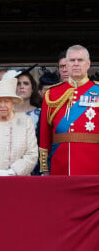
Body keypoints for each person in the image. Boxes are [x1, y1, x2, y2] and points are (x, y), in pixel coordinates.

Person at [39, 45, 99, 175]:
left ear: (88, 64)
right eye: (72, 60)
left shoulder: (97, 91)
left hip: (93, 165)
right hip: (59, 165)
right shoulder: (52, 93)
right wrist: (44, 168)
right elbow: (45, 133)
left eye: (80, 60)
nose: (76, 64)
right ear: (66, 64)